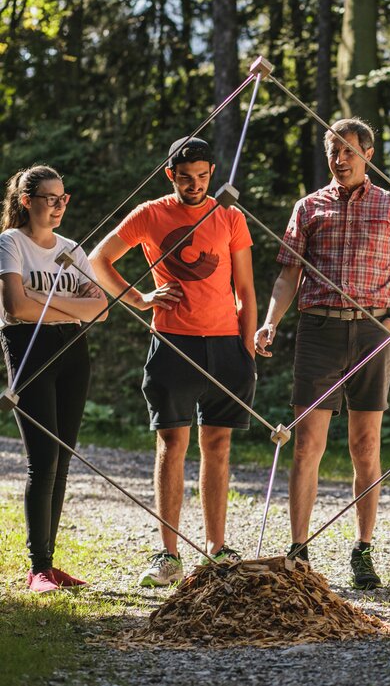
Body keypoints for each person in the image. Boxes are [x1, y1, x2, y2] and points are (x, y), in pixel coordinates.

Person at [255, 118, 390, 589]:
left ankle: (363, 550)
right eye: (335, 151)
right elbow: (288, 275)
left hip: (374, 333)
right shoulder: (308, 207)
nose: (342, 159)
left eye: (351, 150)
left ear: (368, 154)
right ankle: (299, 551)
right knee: (307, 444)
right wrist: (271, 320)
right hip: (318, 331)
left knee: (365, 445)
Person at [90, 137, 257, 586]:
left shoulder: (229, 215)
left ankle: (217, 550)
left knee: (218, 446)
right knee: (172, 446)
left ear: (212, 172)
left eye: (203, 177)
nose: (195, 185)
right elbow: (98, 259)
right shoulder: (150, 214)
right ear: (171, 175)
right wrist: (141, 299)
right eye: (186, 178)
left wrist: (246, 349)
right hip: (173, 342)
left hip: (226, 346)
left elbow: (246, 288)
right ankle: (168, 555)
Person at [0, 165, 108, 592]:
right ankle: (37, 567)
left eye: (64, 198)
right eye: (51, 198)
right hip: (28, 348)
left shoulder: (72, 248)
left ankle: (50, 562)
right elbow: (16, 308)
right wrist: (67, 303)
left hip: (72, 353)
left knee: (62, 459)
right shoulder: (11, 243)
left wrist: (41, 297)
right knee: (42, 460)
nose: (60, 205)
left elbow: (100, 309)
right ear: (27, 201)